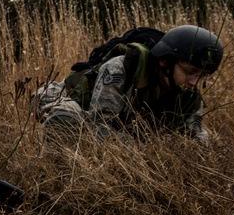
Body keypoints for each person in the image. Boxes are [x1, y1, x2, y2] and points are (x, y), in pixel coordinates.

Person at [34, 25, 224, 141]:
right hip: (61, 95)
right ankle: (56, 185)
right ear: (165, 62)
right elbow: (100, 127)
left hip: (112, 121)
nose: (194, 81)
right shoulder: (121, 68)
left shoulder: (187, 91)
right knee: (66, 118)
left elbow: (195, 137)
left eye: (203, 75)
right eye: (189, 71)